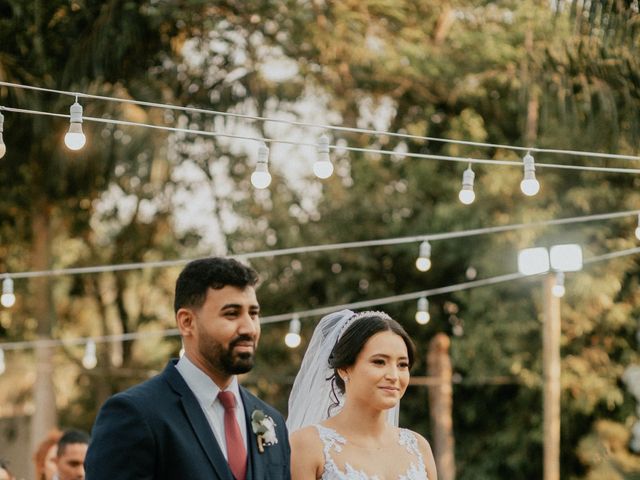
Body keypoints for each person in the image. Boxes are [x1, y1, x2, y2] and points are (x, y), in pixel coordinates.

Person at [85, 257, 291, 480]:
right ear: (186, 322)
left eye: (253, 314)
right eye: (231, 313)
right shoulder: (135, 414)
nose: (249, 328)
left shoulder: (273, 422)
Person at [288, 310, 438, 480]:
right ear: (344, 368)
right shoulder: (306, 445)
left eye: (402, 365)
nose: (394, 376)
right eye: (379, 362)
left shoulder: (419, 447)